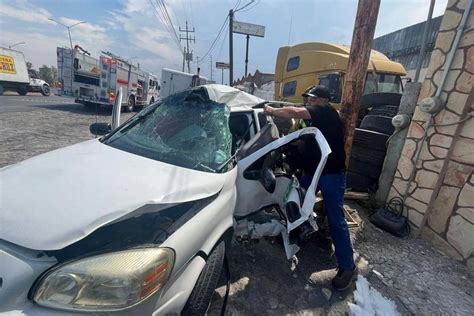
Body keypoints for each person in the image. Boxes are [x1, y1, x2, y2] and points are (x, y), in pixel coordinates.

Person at [264, 85, 356, 291]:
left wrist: (270, 110)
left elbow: (294, 111)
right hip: (312, 173)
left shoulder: (326, 112)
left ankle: (347, 267)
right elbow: (302, 137)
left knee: (336, 219)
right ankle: (292, 236)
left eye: (313, 99)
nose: (309, 102)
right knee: (294, 203)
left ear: (324, 100)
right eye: (308, 98)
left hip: (331, 175)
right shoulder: (315, 119)